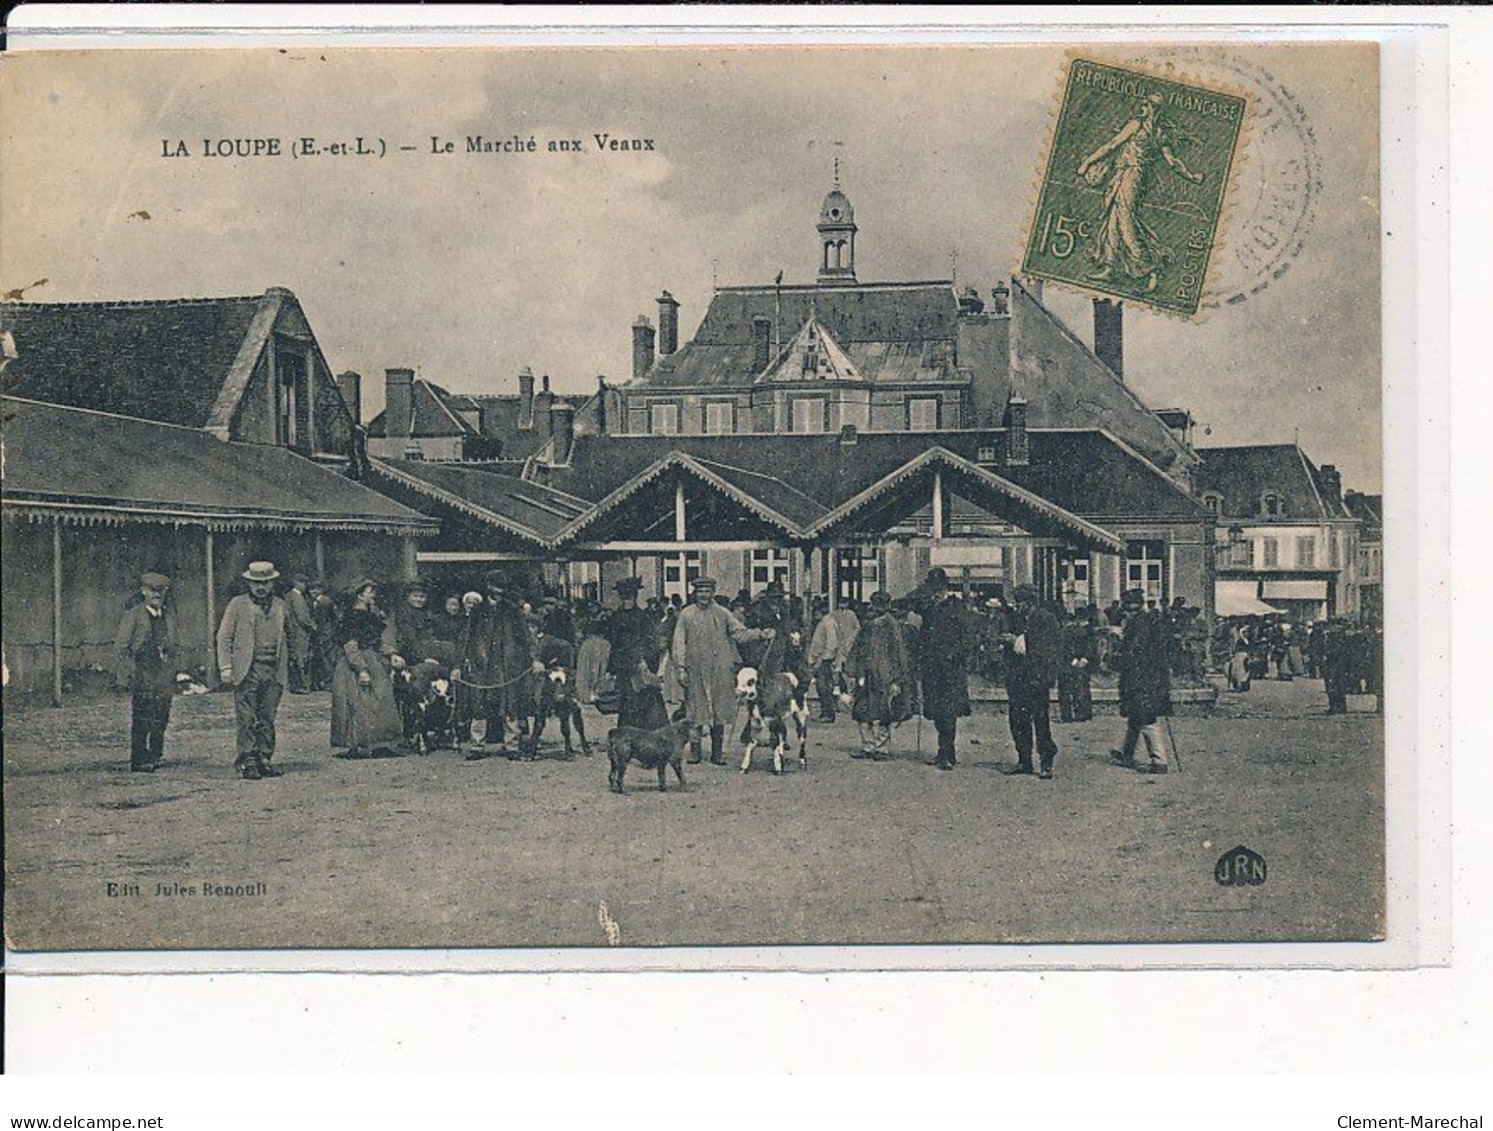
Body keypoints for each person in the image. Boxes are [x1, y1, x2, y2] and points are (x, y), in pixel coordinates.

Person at [1076, 91, 1205, 292]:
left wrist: (1087, 162)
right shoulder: (1159, 133)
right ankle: (1109, 268)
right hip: (1129, 176)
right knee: (1113, 221)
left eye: (1146, 105)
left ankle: (1151, 268)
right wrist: (1192, 176)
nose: (1142, 107)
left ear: (1154, 109)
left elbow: (1112, 145)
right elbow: (1173, 163)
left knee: (1126, 223)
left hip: (1130, 176)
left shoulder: (1137, 126)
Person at [671, 575, 773, 765]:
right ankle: (695, 751)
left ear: (712, 593)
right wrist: (681, 669)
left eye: (707, 591)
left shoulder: (722, 613)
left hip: (719, 670)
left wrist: (760, 633)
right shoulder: (686, 614)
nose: (703, 595)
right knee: (695, 712)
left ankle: (717, 753)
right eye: (700, 591)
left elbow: (740, 633)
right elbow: (678, 644)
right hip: (695, 670)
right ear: (695, 593)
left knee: (719, 711)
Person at [216, 561, 290, 780]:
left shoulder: (280, 605)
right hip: (247, 669)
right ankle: (247, 759)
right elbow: (223, 637)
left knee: (267, 716)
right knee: (247, 717)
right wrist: (226, 667)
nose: (261, 587)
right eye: (256, 582)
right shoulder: (237, 605)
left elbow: (288, 636)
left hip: (273, 670)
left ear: (272, 583)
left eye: (266, 583)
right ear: (248, 583)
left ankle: (264, 757)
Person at [457, 573, 542, 760]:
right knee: (480, 703)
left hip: (507, 665)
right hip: (482, 664)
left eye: (502, 588)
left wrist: (535, 659)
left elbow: (526, 638)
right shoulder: (478, 610)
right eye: (496, 587)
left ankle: (511, 745)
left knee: (510, 704)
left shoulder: (512, 610)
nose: (499, 592)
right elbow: (466, 637)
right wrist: (458, 665)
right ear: (488, 587)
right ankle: (477, 746)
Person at [330, 579, 406, 758]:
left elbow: (377, 641)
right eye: (370, 591)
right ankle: (356, 746)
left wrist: (392, 654)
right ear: (359, 594)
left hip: (373, 659)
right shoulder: (351, 617)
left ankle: (380, 743)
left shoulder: (371, 615)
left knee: (382, 699)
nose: (374, 595)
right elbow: (350, 645)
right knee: (358, 703)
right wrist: (361, 669)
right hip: (355, 663)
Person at [113, 571, 180, 773]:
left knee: (161, 715)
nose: (157, 595)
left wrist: (172, 667)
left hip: (163, 673)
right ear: (143, 591)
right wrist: (129, 674)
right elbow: (121, 647)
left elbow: (176, 645)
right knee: (142, 716)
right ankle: (139, 758)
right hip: (142, 671)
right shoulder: (133, 615)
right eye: (152, 591)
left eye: (161, 591)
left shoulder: (169, 616)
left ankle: (156, 753)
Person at [915, 568, 977, 771]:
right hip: (932, 667)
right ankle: (946, 752)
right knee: (935, 711)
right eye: (933, 588)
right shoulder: (928, 608)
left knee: (948, 711)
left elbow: (967, 638)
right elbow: (909, 602)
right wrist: (924, 592)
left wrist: (956, 655)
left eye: (939, 588)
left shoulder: (957, 608)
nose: (936, 592)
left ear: (946, 588)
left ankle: (945, 753)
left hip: (951, 668)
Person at [1000, 584, 1063, 778]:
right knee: (1018, 720)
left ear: (1030, 603)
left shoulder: (1046, 619)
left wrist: (1017, 641)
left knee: (1040, 721)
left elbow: (1047, 649)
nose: (1017, 606)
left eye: (1021, 603)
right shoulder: (1015, 619)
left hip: (1037, 678)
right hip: (1017, 678)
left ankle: (1046, 762)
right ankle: (1024, 760)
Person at [845, 590, 913, 761]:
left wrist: (898, 679)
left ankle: (881, 748)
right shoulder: (868, 625)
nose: (877, 607)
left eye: (881, 603)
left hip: (885, 676)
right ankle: (867, 746)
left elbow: (899, 654)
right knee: (862, 710)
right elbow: (857, 649)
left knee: (883, 712)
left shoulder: (892, 626)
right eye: (875, 603)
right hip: (866, 675)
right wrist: (852, 671)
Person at [1111, 588, 1172, 774]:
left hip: (1142, 678)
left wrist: (1116, 657)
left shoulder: (1140, 624)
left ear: (1132, 608)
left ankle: (1160, 760)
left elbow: (1135, 652)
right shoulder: (1144, 621)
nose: (1125, 613)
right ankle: (1125, 753)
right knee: (1135, 717)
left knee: (1146, 717)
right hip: (1146, 677)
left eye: (1126, 609)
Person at [606, 577, 667, 731]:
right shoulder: (615, 617)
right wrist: (610, 668)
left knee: (643, 701)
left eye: (630, 597)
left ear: (635, 597)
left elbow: (651, 641)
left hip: (639, 664)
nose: (627, 601)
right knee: (625, 703)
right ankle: (626, 735)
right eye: (624, 597)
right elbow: (613, 644)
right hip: (622, 665)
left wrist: (645, 660)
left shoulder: (643, 617)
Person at [1057, 608, 1096, 724]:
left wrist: (1072, 659)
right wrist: (1082, 658)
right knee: (1080, 688)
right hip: (1078, 663)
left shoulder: (1064, 632)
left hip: (1066, 664)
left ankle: (1067, 715)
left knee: (1066, 690)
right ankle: (1083, 713)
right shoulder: (1081, 631)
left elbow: (1064, 648)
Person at [806, 597, 841, 722]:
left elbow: (831, 644)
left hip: (824, 659)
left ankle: (828, 713)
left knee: (824, 686)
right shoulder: (824, 622)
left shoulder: (828, 623)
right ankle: (825, 712)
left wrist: (822, 659)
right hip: (821, 659)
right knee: (821, 687)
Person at [284, 574, 318, 694]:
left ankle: (296, 684)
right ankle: (301, 685)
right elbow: (302, 617)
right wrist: (313, 626)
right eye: (303, 583)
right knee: (301, 658)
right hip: (300, 632)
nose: (305, 586)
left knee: (295, 658)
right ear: (296, 583)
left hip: (292, 631)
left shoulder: (288, 596)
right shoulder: (297, 597)